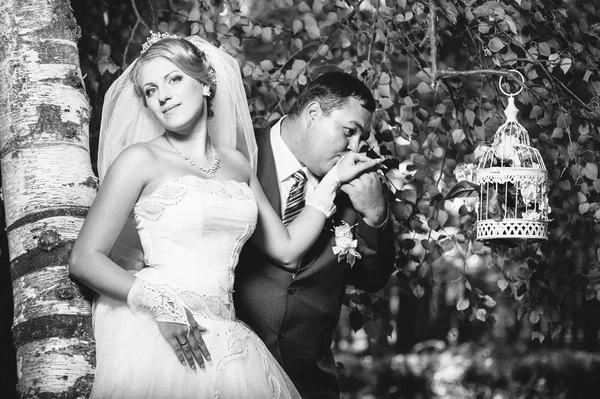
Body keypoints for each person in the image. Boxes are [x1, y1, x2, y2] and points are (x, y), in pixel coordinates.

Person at [68, 34, 380, 399]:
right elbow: (84, 259)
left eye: (174, 79)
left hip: (227, 337)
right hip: (157, 328)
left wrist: (332, 182)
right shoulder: (139, 160)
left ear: (204, 83)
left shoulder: (236, 163)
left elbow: (287, 248)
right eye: (151, 90)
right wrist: (159, 305)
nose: (163, 96)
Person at [234, 71, 396, 398]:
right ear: (312, 114)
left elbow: (372, 278)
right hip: (230, 374)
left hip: (310, 386)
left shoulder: (357, 185)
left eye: (361, 139)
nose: (354, 148)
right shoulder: (238, 153)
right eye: (348, 132)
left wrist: (375, 213)